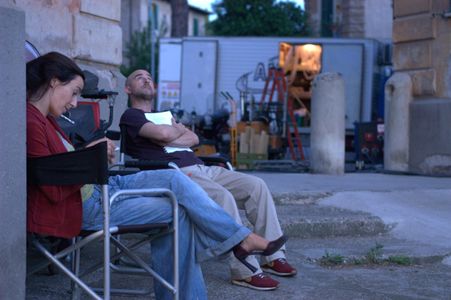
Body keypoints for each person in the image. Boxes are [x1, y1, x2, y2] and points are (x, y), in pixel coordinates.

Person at [26, 52, 287, 299]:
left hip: (103, 187)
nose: (74, 103)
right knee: (179, 210)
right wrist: (89, 156)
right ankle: (238, 243)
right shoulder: (31, 121)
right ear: (53, 82)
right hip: (85, 205)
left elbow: (192, 138)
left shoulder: (47, 120)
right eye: (74, 93)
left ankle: (242, 241)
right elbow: (51, 185)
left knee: (175, 181)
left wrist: (86, 152)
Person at [120, 69, 297, 291]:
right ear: (128, 89)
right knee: (222, 197)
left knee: (256, 186)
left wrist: (169, 133)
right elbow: (167, 136)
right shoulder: (131, 116)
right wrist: (175, 132)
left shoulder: (164, 116)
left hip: (202, 168)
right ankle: (244, 270)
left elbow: (192, 138)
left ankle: (273, 256)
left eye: (149, 78)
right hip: (174, 173)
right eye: (139, 78)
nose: (146, 80)